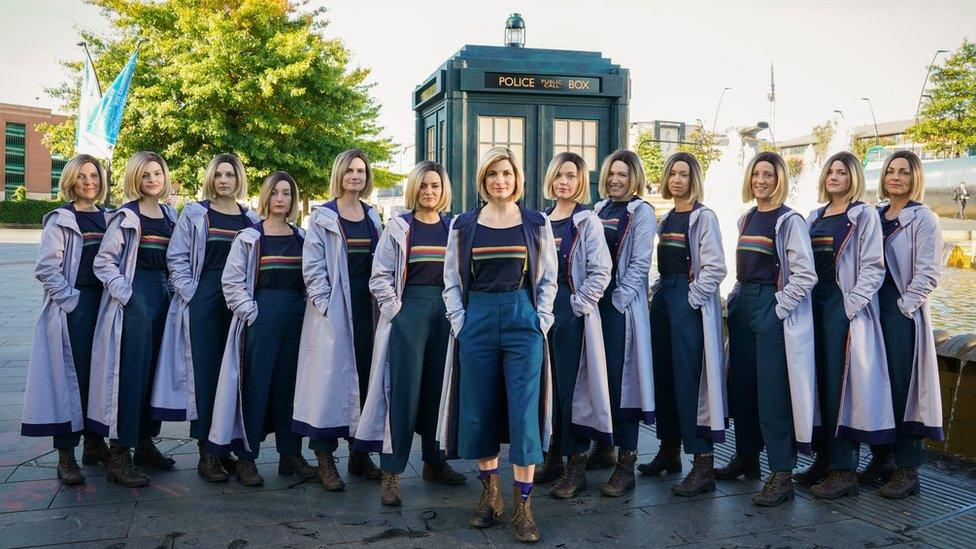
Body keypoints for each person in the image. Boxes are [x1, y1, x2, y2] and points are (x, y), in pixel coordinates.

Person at [435, 146, 556, 543]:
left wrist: (541, 320)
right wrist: (460, 322)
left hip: (522, 318)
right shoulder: (464, 225)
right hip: (479, 319)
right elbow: (451, 278)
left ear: (516, 178)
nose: (499, 181)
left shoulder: (536, 222)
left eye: (505, 173)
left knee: (524, 413)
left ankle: (523, 504)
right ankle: (490, 495)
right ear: (482, 181)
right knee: (480, 410)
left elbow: (549, 278)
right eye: (491, 175)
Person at [354, 161, 467, 507]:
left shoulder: (455, 227)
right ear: (414, 189)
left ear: (443, 189)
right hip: (410, 313)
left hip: (445, 314)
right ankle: (392, 471)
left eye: (435, 185)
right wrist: (397, 312)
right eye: (423, 186)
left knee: (439, 390)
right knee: (403, 393)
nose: (429, 192)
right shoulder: (399, 227)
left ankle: (435, 461)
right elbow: (380, 276)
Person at [715, 151, 818, 507]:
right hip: (744, 303)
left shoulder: (789, 220)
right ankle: (746, 457)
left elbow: (805, 274)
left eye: (769, 175)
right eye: (757, 174)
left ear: (780, 180)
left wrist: (778, 309)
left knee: (772, 394)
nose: (761, 181)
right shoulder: (746, 218)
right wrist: (734, 299)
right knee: (742, 388)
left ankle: (781, 472)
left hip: (769, 307)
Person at [151, 154, 260, 482]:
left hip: (239, 303)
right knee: (208, 376)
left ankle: (230, 445)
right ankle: (207, 452)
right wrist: (192, 293)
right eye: (219, 174)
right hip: (207, 301)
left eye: (230, 174)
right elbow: (177, 256)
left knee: (239, 376)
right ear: (211, 178)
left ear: (239, 178)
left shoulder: (250, 218)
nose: (224, 180)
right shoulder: (197, 213)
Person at [796, 151, 896, 499]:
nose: (834, 176)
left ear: (853, 177)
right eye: (830, 171)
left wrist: (850, 306)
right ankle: (824, 459)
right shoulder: (814, 216)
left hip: (841, 307)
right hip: (814, 306)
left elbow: (873, 266)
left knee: (842, 388)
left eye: (842, 171)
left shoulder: (863, 214)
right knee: (819, 383)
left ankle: (844, 470)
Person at [206, 172, 316, 486]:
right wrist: (251, 313)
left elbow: (312, 277)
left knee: (290, 389)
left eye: (287, 193)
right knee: (256, 388)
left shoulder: (302, 237)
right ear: (266, 197)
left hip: (295, 320)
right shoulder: (250, 237)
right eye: (276, 193)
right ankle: (247, 458)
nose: (281, 199)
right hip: (262, 319)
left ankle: (290, 454)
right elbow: (232, 282)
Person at [637, 152, 728, 497]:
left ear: (694, 180)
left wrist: (690, 300)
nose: (677, 179)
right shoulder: (668, 217)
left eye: (684, 174)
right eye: (672, 173)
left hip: (687, 303)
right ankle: (669, 450)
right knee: (666, 378)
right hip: (664, 299)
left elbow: (715, 267)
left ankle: (703, 464)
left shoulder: (703, 217)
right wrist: (659, 294)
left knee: (691, 382)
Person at [292, 150, 384, 491]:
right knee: (328, 387)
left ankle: (360, 454)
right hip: (334, 308)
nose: (356, 176)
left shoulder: (373, 216)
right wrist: (324, 303)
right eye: (350, 170)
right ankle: (325, 457)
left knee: (363, 379)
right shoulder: (322, 217)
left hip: (367, 309)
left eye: (361, 170)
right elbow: (313, 265)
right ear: (340, 174)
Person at [88, 151, 178, 487]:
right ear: (135, 180)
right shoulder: (126, 215)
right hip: (135, 296)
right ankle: (119, 453)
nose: (153, 180)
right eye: (145, 175)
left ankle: (143, 442)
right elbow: (104, 262)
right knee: (131, 376)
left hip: (163, 298)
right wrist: (127, 295)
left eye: (157, 173)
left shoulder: (171, 215)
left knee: (155, 374)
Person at [859, 151, 944, 499]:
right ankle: (882, 458)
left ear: (914, 178)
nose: (895, 177)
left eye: (904, 172)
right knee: (875, 385)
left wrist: (904, 308)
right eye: (891, 171)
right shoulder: (875, 215)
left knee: (903, 388)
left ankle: (908, 470)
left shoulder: (923, 218)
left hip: (898, 312)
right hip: (871, 308)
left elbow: (929, 272)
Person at [22, 155, 111, 484]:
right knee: (69, 380)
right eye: (82, 176)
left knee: (98, 377)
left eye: (94, 176)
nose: (89, 182)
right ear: (71, 181)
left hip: (105, 307)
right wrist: (71, 301)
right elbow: (46, 268)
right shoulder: (61, 219)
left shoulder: (109, 218)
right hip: (75, 309)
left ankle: (94, 444)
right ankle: (66, 455)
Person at [534, 152, 613, 499]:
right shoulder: (539, 221)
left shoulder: (586, 221)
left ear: (581, 181)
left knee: (571, 389)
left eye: (571, 175)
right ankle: (552, 454)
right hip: (541, 313)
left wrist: (578, 304)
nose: (564, 181)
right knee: (545, 387)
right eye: (559, 175)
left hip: (570, 313)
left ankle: (575, 464)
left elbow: (601, 271)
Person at [589, 149, 656, 498]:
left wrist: (616, 300)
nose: (616, 179)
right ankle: (603, 446)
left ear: (635, 178)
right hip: (594, 306)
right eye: (612, 173)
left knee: (623, 383)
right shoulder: (599, 209)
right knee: (598, 378)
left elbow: (640, 263)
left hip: (620, 309)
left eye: (624, 174)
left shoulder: (641, 211)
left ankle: (626, 463)